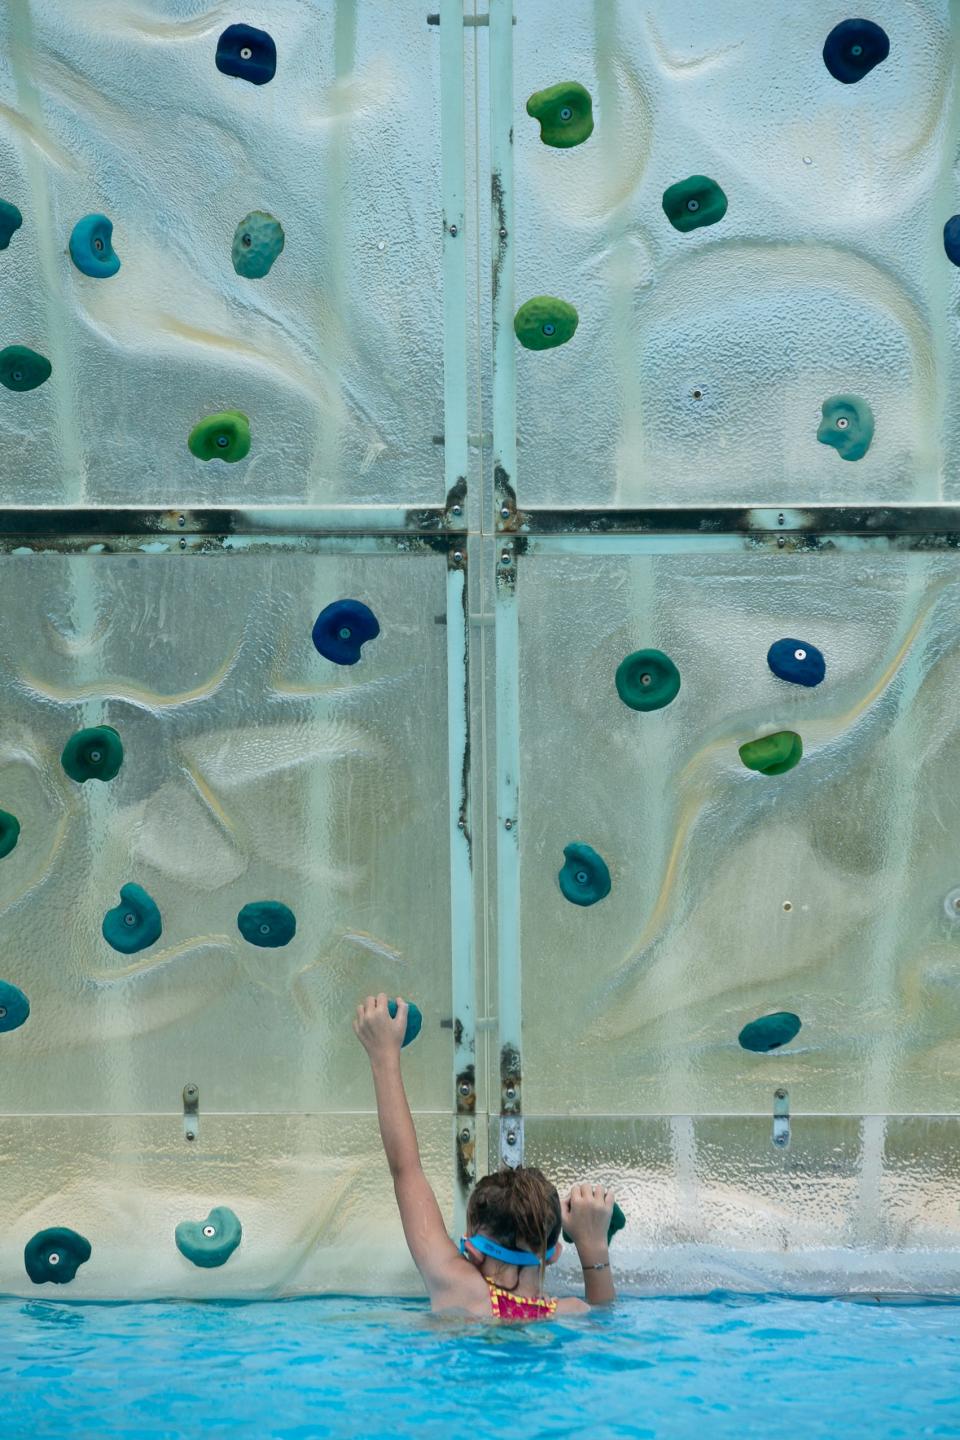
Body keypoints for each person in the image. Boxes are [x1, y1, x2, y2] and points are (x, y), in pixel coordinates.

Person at [354, 992, 617, 1320]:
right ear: (553, 1255)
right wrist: (593, 1245)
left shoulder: (460, 1289)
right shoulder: (571, 1311)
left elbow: (406, 1170)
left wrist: (384, 1056)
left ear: (473, 1251)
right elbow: (606, 1319)